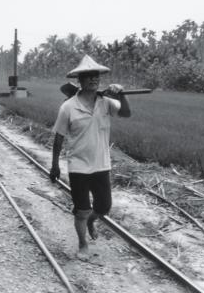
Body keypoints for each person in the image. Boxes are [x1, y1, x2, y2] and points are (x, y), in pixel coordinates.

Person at [49, 55, 131, 258]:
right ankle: (83, 244)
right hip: (78, 166)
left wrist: (121, 95)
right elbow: (59, 137)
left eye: (96, 76)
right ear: (80, 81)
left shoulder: (107, 102)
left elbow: (127, 113)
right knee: (81, 210)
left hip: (101, 165)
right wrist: (55, 165)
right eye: (88, 76)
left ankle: (92, 221)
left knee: (104, 206)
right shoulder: (68, 107)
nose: (93, 79)